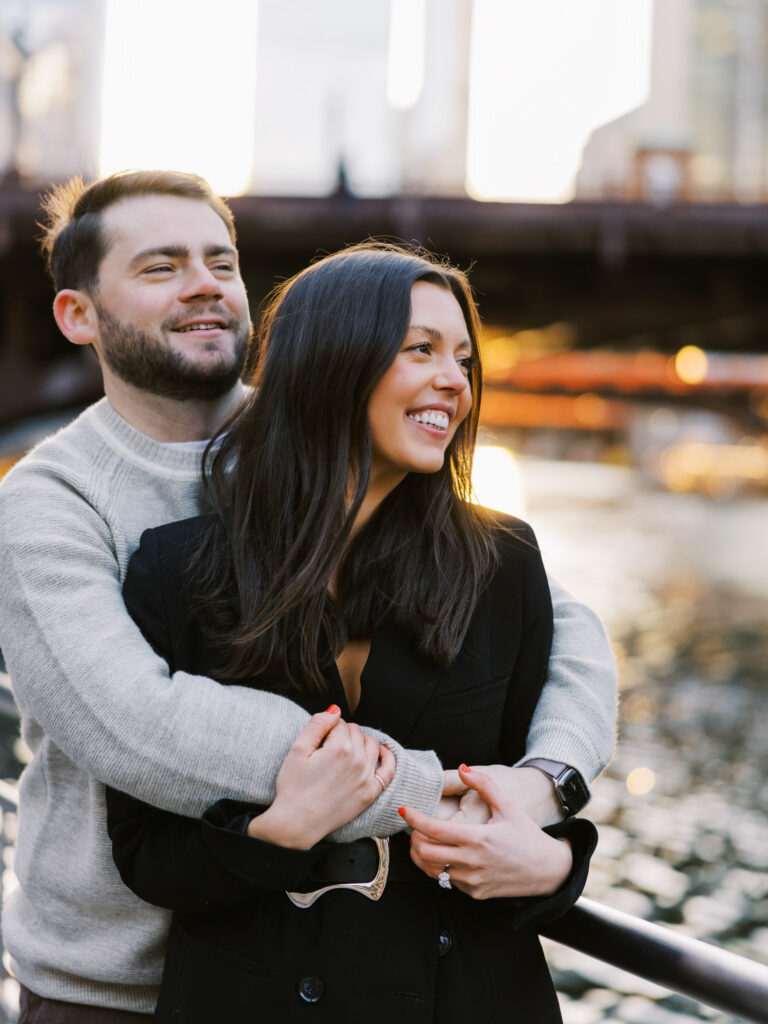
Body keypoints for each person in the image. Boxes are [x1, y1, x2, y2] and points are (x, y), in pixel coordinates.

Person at [0, 170, 616, 1021]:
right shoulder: (48, 502)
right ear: (77, 315)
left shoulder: (327, 439)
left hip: (341, 963)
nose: (206, 285)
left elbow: (563, 629)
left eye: (222, 261)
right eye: (161, 267)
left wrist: (547, 786)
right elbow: (138, 724)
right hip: (112, 982)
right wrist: (438, 793)